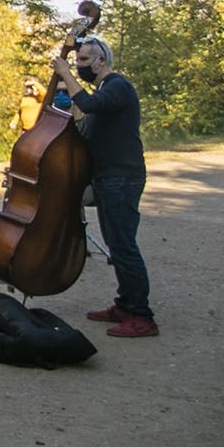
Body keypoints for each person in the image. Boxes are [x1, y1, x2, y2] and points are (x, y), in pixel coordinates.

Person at [50, 34, 158, 338]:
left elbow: (87, 103)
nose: (79, 65)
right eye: (77, 61)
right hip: (108, 177)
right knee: (116, 244)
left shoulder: (118, 86)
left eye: (84, 60)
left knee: (123, 246)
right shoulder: (105, 91)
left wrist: (65, 74)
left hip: (122, 178)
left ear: (101, 61)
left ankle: (142, 316)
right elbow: (87, 128)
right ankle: (126, 305)